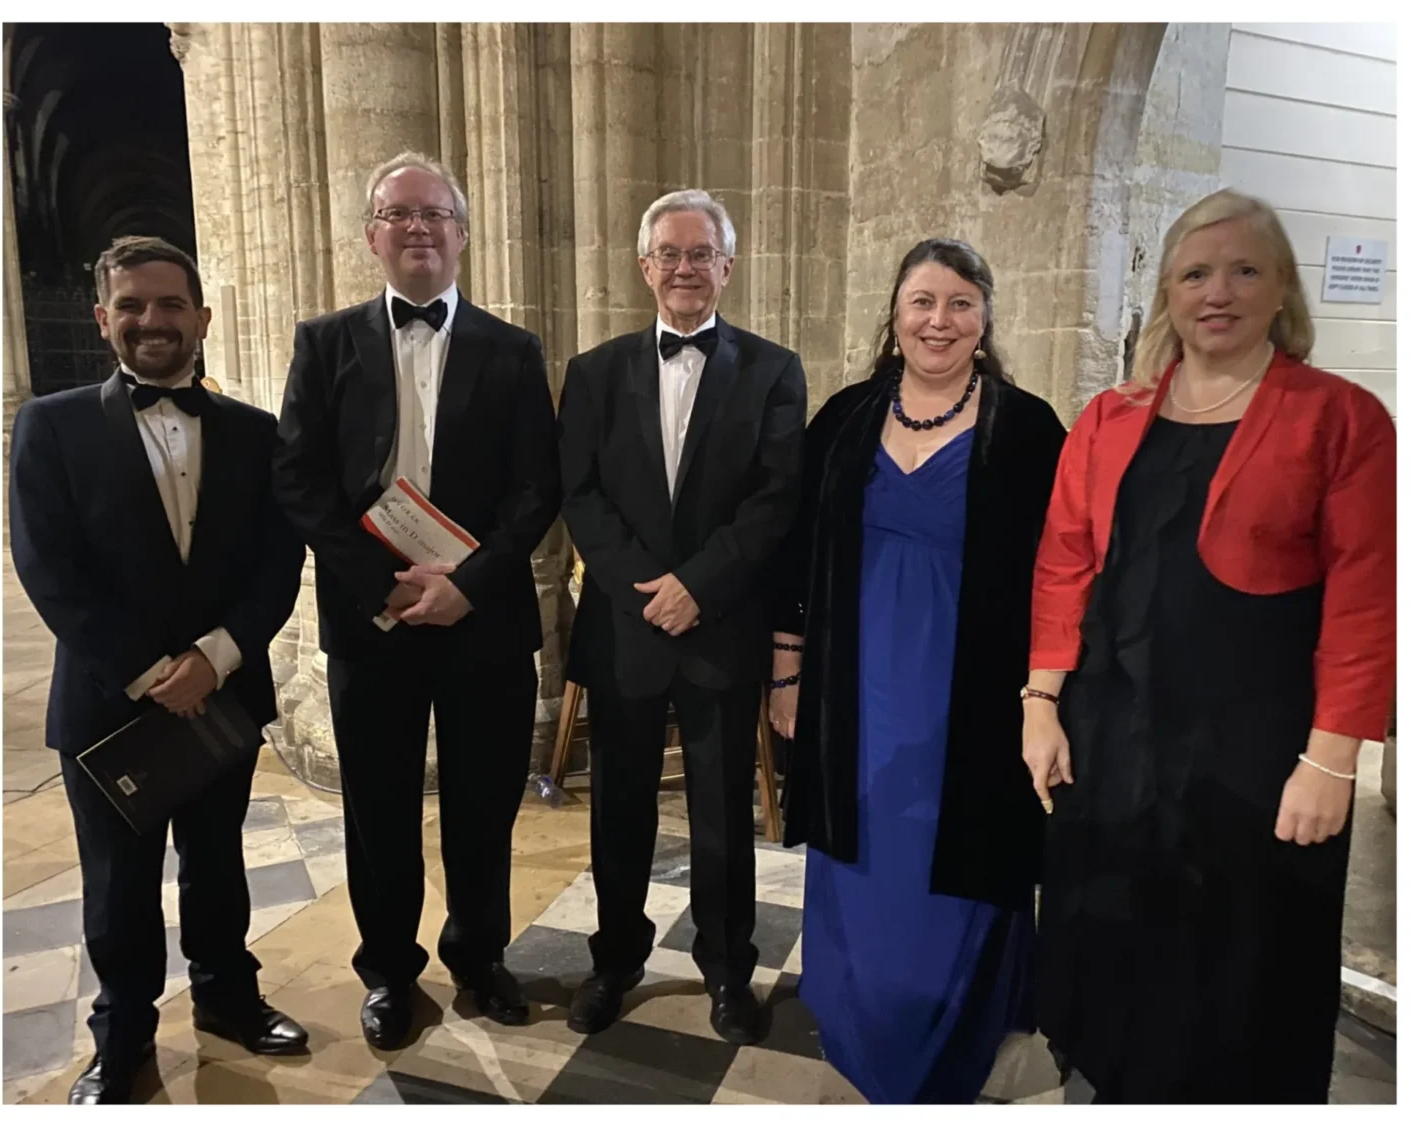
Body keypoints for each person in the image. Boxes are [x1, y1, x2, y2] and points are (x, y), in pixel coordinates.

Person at [1025, 189, 1396, 1103]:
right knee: (1117, 940)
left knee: (1241, 964)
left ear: (1281, 290)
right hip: (1111, 730)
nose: (1217, 291)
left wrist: (1333, 759)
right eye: (1195, 272)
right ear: (1168, 294)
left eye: (1243, 270)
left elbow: (1365, 600)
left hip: (1258, 751)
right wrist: (1039, 703)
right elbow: (1063, 566)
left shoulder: (1342, 418)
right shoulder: (1109, 417)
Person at [10, 237, 310, 1104]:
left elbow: (277, 562)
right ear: (104, 319)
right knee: (118, 883)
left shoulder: (257, 434)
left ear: (202, 318)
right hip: (109, 699)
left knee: (218, 862)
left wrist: (214, 659)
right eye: (132, 305)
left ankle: (227, 998)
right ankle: (124, 1038)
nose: (152, 321)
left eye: (171, 304)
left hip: (220, 695)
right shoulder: (51, 424)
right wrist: (149, 669)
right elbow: (47, 567)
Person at [272, 152, 561, 1050]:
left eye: (436, 213)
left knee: (485, 804)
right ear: (372, 236)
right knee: (380, 807)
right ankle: (390, 971)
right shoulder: (325, 342)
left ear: (463, 233)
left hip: (485, 621)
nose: (419, 228)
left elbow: (537, 487)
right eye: (399, 214)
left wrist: (463, 583)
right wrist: (383, 583)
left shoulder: (512, 350)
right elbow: (299, 477)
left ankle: (480, 958)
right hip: (373, 617)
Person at [770, 239, 1066, 1101]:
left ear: (985, 319)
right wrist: (787, 673)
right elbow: (796, 556)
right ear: (894, 318)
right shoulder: (846, 417)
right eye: (922, 302)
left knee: (960, 848)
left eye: (960, 303)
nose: (940, 320)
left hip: (972, 694)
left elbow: (1063, 571)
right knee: (865, 849)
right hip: (855, 686)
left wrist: (1045, 696)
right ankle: (859, 1011)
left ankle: (956, 1023)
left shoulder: (1029, 427)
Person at [556, 189, 806, 1044]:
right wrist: (647, 586)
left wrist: (697, 585)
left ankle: (729, 967)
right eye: (670, 252)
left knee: (722, 814)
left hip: (722, 624)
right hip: (627, 627)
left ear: (727, 268)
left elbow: (776, 501)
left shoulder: (775, 370)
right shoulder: (592, 372)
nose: (686, 268)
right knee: (616, 805)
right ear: (644, 266)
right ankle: (615, 958)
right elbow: (580, 496)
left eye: (702, 253)